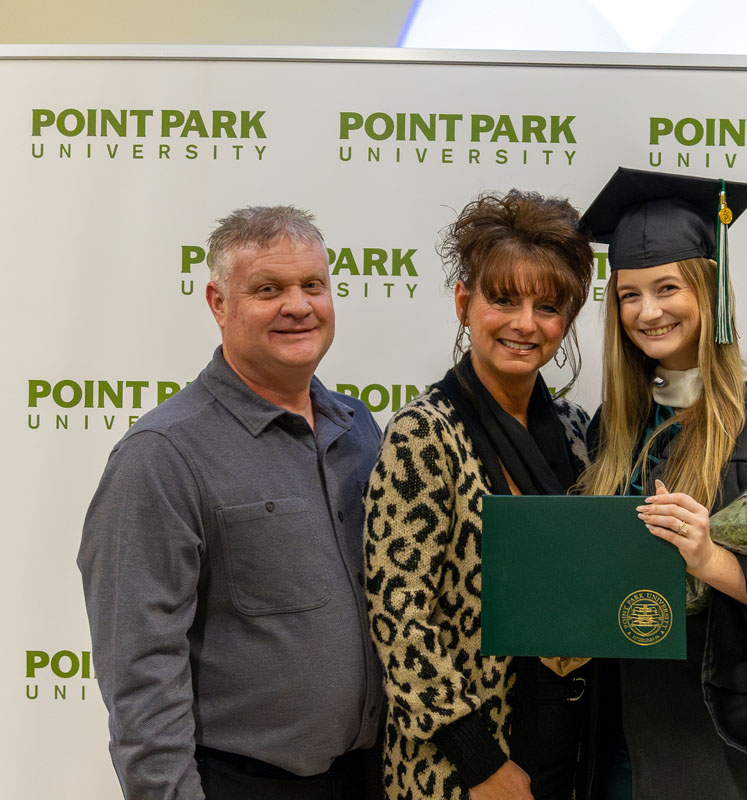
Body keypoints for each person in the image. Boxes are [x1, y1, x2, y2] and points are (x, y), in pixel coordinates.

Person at [78, 206, 385, 799]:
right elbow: (140, 674)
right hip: (240, 784)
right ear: (219, 303)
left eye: (312, 286)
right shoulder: (162, 455)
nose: (298, 306)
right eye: (268, 289)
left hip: (369, 777)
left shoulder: (359, 429)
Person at [577, 167, 747, 800]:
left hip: (735, 737)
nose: (648, 312)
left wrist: (711, 559)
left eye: (667, 287)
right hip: (625, 731)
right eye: (629, 295)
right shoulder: (610, 429)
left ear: (709, 289)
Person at [362, 190, 597, 800]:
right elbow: (399, 616)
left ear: (567, 319)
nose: (525, 324)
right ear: (465, 303)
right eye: (503, 299)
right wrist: (481, 763)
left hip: (565, 738)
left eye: (547, 306)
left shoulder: (575, 431)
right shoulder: (424, 434)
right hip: (460, 765)